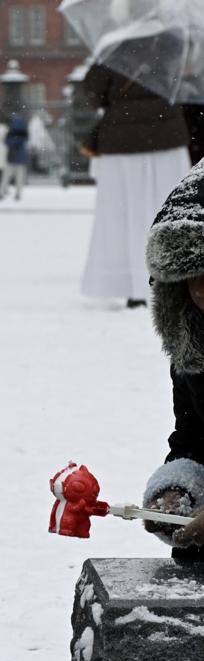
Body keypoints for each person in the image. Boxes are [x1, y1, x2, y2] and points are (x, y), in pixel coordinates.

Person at [79, 59, 190, 308]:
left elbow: (94, 90)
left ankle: (132, 284)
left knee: (123, 213)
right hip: (166, 137)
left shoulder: (116, 46)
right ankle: (174, 281)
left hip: (122, 139)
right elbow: (185, 86)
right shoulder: (173, 44)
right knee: (171, 211)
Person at [140, 163, 204, 562]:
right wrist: (178, 493)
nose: (199, 291)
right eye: (189, 275)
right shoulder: (194, 341)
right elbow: (194, 439)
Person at [0, 114, 29, 201]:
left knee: (6, 177)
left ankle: (1, 193)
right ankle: (18, 193)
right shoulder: (24, 133)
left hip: (11, 158)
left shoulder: (11, 133)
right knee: (19, 178)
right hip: (21, 159)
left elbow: (7, 142)